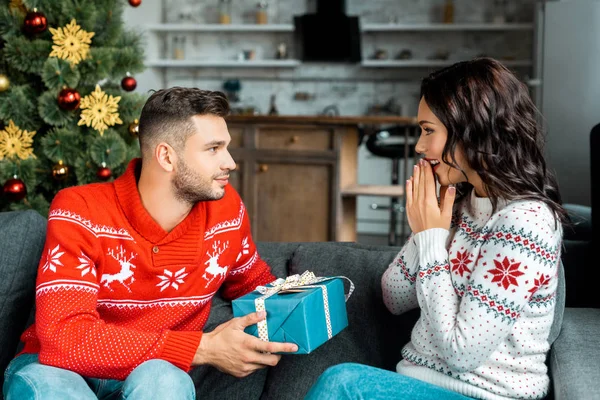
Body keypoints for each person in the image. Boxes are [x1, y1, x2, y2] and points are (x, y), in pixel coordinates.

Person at [3, 87, 298, 400]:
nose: (230, 162)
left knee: (165, 380)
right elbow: (64, 338)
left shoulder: (227, 210)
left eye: (225, 147)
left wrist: (308, 296)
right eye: (213, 149)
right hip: (57, 370)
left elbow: (252, 283)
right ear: (166, 156)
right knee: (50, 388)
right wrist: (202, 348)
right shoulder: (79, 210)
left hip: (153, 370)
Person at [306, 57, 567, 400]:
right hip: (417, 384)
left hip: (482, 394)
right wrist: (426, 228)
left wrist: (431, 239)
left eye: (429, 130)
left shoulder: (525, 223)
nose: (419, 145)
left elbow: (462, 353)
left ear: (471, 129)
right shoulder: (463, 206)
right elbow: (394, 297)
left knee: (342, 383)